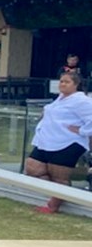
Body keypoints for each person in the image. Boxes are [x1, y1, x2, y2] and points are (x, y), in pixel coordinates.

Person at [25, 70, 92, 213]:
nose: (62, 84)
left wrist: (81, 131)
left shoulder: (82, 101)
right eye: (61, 81)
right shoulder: (60, 98)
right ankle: (63, 193)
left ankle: (53, 205)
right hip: (46, 141)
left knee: (59, 177)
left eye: (67, 82)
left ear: (76, 85)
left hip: (67, 143)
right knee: (33, 169)